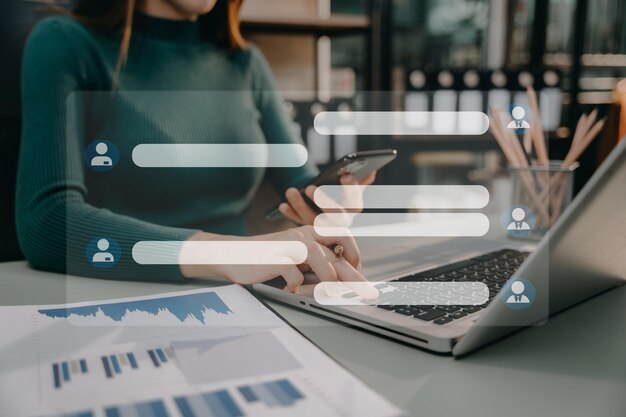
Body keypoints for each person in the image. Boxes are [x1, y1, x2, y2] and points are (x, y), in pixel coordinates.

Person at [16, 0, 376, 295]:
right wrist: (226, 251)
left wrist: (330, 206)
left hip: (253, 292)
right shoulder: (65, 43)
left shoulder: (246, 62)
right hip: (120, 295)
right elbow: (48, 220)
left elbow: (299, 184)